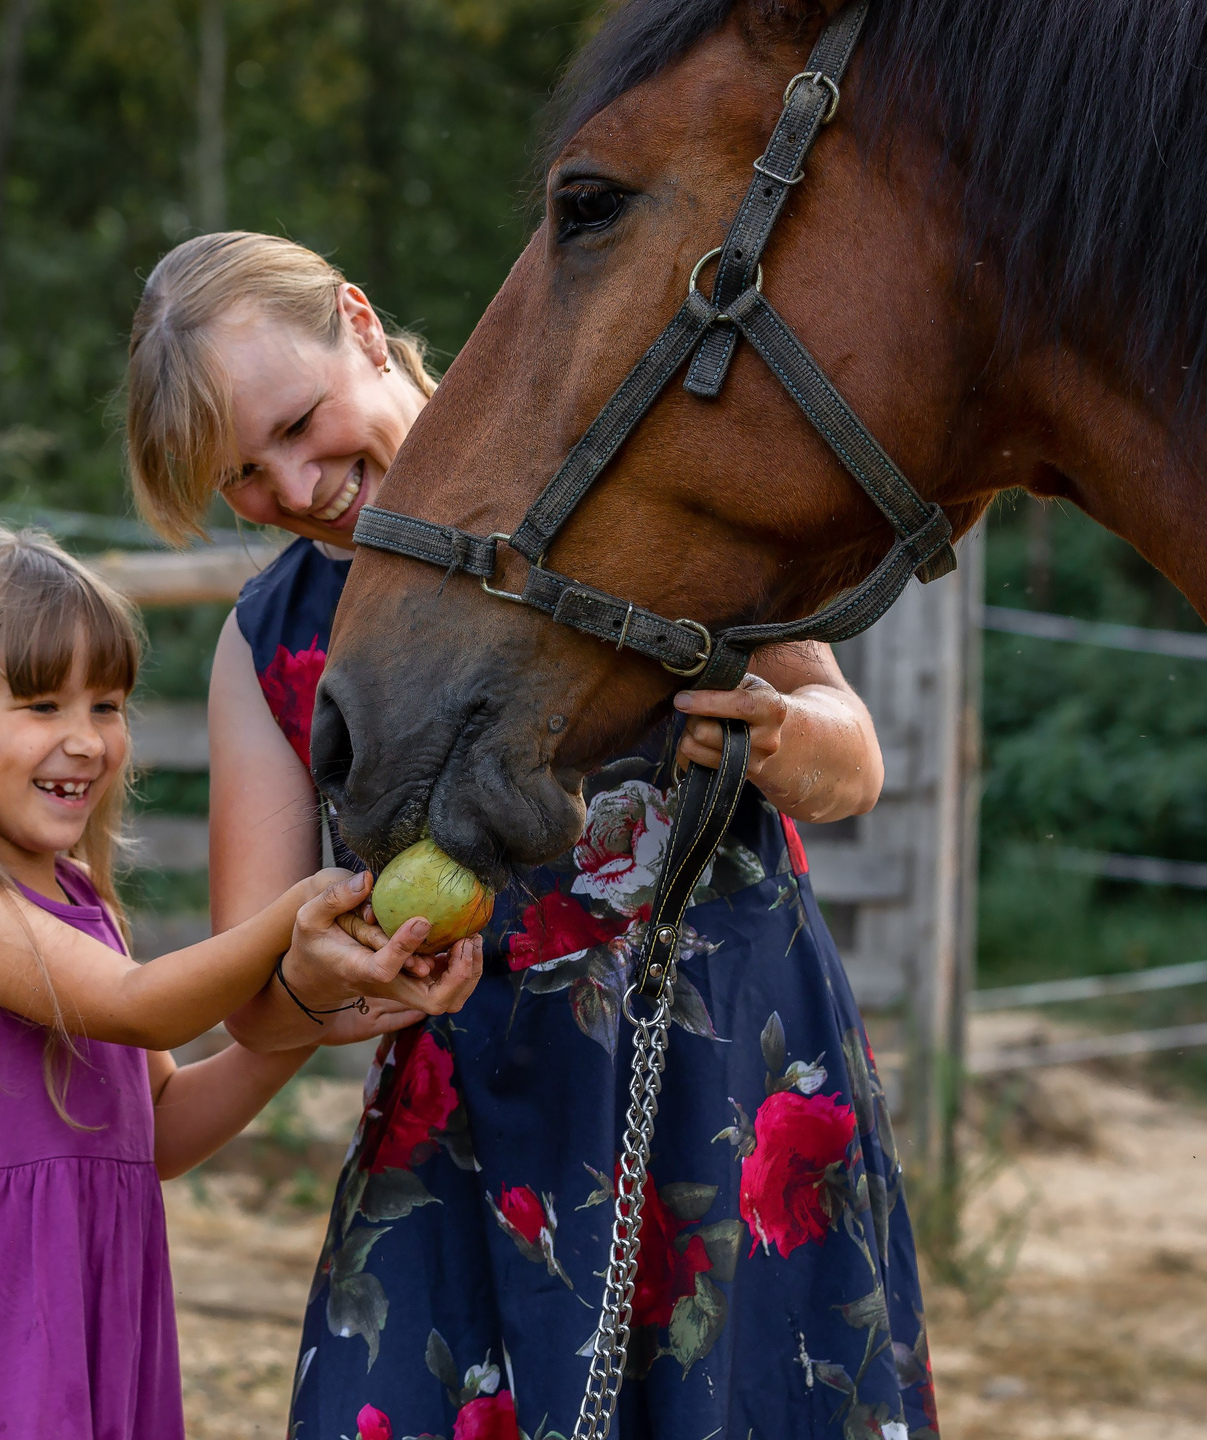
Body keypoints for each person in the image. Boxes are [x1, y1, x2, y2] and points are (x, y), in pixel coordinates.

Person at [124, 233, 936, 1440]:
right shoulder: (270, 641)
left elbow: (850, 755)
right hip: (470, 1137)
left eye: (296, 425)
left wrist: (771, 735)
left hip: (727, 1087)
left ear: (357, 319)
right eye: (242, 475)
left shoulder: (621, 485)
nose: (292, 492)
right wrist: (330, 980)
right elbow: (261, 996)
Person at [0, 524, 481, 1439]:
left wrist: (316, 1013)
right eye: (41, 705)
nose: (85, 741)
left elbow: (153, 1134)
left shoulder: (82, 901)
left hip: (84, 1302)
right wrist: (300, 906)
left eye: (108, 705)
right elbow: (135, 1004)